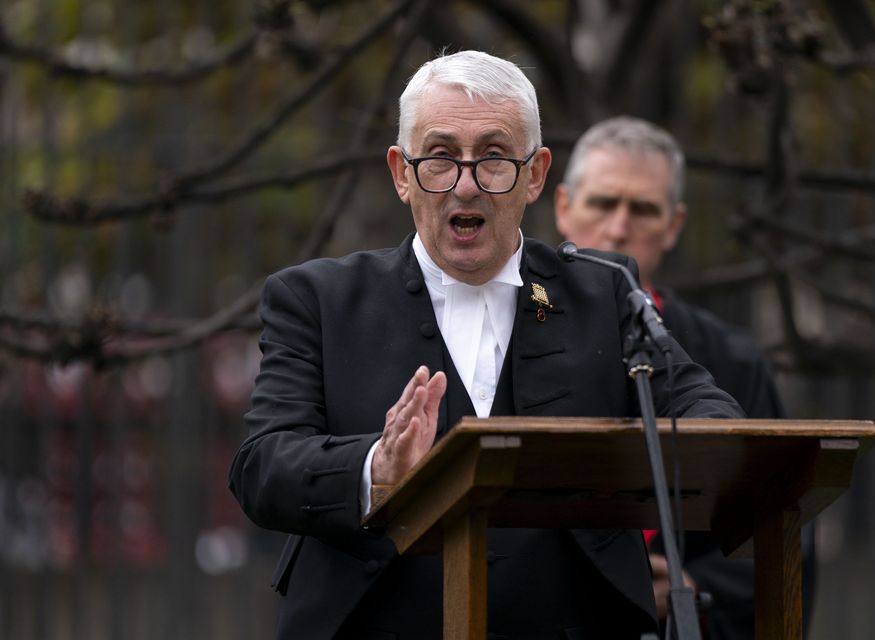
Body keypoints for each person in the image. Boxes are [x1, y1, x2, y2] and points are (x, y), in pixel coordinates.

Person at [229, 51, 743, 640]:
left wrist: (608, 461)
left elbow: (709, 414)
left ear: (536, 174)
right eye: (440, 158)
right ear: (401, 172)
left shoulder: (604, 292)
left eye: (495, 158)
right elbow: (262, 467)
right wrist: (376, 469)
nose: (466, 185)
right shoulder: (316, 299)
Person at [554, 116, 812, 639]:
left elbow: (781, 527)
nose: (619, 227)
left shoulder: (730, 360)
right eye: (602, 204)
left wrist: (693, 590)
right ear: (564, 207)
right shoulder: (511, 333)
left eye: (643, 210)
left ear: (674, 225)